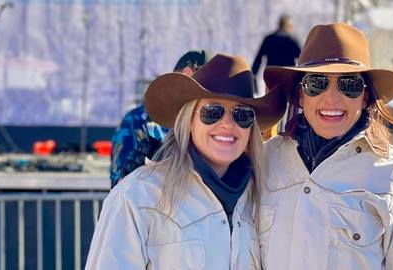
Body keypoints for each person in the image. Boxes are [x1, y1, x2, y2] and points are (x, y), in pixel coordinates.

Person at [85, 53, 286, 269]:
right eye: (212, 112)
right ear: (188, 120)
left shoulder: (260, 200)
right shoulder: (138, 196)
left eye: (242, 115)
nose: (228, 124)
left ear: (251, 128)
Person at [260, 22, 393, 270]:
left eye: (349, 85)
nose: (332, 98)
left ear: (366, 95)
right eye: (317, 84)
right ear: (300, 95)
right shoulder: (266, 160)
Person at [110, 50, 211, 187]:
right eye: (210, 78)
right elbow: (119, 182)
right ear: (188, 74)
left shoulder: (211, 119)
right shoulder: (139, 119)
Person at [251, 14, 301, 79]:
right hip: (288, 76)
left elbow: (258, 58)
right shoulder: (292, 40)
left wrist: (253, 75)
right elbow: (302, 58)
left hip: (271, 76)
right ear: (288, 26)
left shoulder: (269, 39)